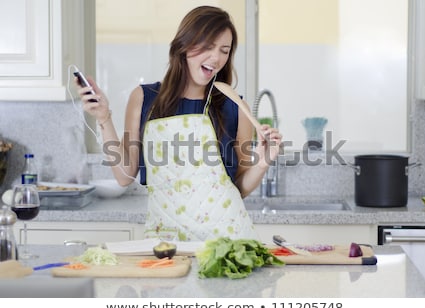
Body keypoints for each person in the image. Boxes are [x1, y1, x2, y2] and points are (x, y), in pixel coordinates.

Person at [77, 6, 282, 241]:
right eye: (207, 46)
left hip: (226, 243)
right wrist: (104, 118)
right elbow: (125, 176)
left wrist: (263, 162)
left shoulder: (234, 105)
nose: (216, 58)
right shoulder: (144, 99)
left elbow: (239, 188)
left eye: (224, 51)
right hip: (166, 243)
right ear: (184, 45)